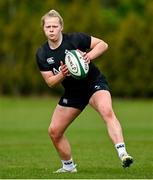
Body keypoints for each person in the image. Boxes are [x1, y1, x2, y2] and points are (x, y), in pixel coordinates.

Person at [36, 9, 133, 173]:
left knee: (106, 111)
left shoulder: (75, 39)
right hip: (73, 93)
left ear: (61, 27)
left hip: (93, 83)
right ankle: (68, 167)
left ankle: (123, 153)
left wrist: (88, 57)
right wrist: (62, 74)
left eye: (54, 26)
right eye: (48, 27)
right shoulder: (42, 53)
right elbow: (50, 82)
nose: (51, 30)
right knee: (54, 131)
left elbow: (103, 44)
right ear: (44, 29)